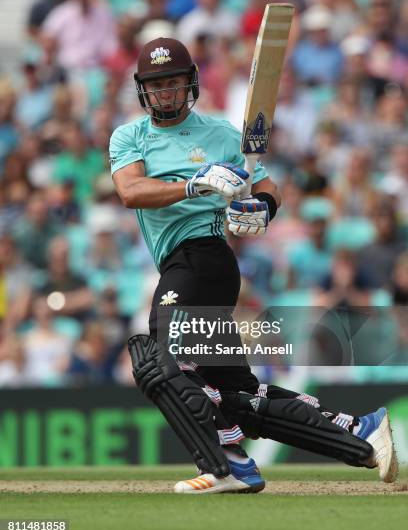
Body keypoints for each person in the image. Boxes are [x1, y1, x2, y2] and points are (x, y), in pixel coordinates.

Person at [109, 36, 398, 494]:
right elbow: (131, 192)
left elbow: (268, 189)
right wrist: (196, 183)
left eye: (175, 82)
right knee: (239, 397)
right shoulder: (131, 136)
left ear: (192, 84)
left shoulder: (222, 135)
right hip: (183, 264)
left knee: (160, 362)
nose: (167, 92)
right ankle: (358, 429)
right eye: (158, 84)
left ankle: (227, 465)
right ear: (144, 90)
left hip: (203, 259)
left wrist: (260, 209)